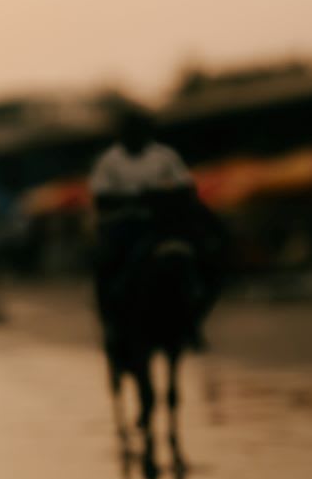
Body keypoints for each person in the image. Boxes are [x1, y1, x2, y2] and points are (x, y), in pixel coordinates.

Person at [88, 112, 217, 345]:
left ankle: (193, 320)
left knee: (202, 257)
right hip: (125, 224)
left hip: (163, 223)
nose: (135, 136)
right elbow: (100, 198)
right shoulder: (109, 160)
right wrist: (135, 199)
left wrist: (163, 199)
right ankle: (111, 323)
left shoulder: (165, 156)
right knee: (106, 265)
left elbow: (186, 187)